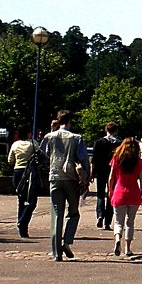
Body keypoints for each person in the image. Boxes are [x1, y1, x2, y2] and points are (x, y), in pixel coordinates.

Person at [39, 109, 90, 262]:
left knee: (56, 214)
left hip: (54, 177)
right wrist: (86, 177)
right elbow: (83, 159)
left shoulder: (49, 137)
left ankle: (56, 252)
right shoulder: (76, 138)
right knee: (73, 212)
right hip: (71, 178)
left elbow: (43, 155)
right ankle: (67, 241)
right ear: (69, 121)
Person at [108, 137, 142, 257]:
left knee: (118, 222)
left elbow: (111, 178)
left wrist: (110, 191)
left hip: (119, 192)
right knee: (130, 222)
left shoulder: (117, 159)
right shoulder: (139, 162)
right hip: (133, 193)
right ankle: (128, 248)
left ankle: (117, 240)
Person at [8, 125, 38, 238]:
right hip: (30, 173)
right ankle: (22, 221)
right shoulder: (33, 143)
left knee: (21, 200)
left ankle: (22, 230)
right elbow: (39, 155)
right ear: (28, 133)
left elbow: (10, 160)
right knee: (32, 201)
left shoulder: (15, 145)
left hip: (17, 172)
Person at [91, 122, 120, 231]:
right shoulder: (118, 143)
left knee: (100, 194)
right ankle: (108, 221)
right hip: (113, 172)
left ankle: (100, 215)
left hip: (101, 171)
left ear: (105, 130)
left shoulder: (99, 142)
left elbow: (94, 159)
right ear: (115, 131)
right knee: (111, 195)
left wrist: (92, 173)